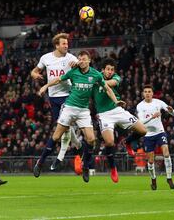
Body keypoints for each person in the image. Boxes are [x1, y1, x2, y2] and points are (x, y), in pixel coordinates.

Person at [38, 51, 122, 182]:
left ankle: (86, 167)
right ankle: (40, 162)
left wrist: (116, 102)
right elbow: (58, 79)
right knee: (56, 136)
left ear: (89, 61)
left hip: (83, 110)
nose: (81, 61)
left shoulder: (95, 74)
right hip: (70, 108)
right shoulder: (73, 71)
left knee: (91, 140)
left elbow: (107, 88)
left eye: (83, 59)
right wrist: (46, 86)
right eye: (79, 59)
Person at [31, 33, 81, 176]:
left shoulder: (71, 58)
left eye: (67, 44)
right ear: (57, 45)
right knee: (63, 129)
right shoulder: (46, 58)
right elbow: (34, 71)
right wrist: (35, 74)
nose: (66, 46)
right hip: (53, 98)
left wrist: (77, 64)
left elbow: (83, 65)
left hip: (68, 96)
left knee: (63, 128)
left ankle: (45, 161)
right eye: (64, 44)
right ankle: (77, 145)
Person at [92, 58, 147, 183]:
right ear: (103, 69)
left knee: (143, 130)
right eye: (108, 69)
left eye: (112, 69)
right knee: (110, 142)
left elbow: (111, 83)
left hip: (117, 109)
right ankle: (113, 168)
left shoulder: (116, 77)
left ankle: (127, 142)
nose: (110, 71)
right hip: (104, 114)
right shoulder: (96, 76)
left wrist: (98, 81)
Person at [136, 84, 174, 190]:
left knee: (166, 152)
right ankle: (153, 180)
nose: (148, 93)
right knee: (150, 161)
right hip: (148, 134)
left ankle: (169, 178)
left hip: (160, 132)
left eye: (149, 91)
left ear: (152, 93)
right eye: (146, 92)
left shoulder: (159, 102)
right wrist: (152, 117)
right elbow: (140, 122)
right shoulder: (140, 106)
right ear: (143, 94)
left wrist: (171, 111)